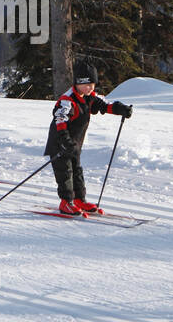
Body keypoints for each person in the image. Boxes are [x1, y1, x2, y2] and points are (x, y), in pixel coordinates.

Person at [43, 61, 133, 216]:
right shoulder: (67, 100)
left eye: (92, 84)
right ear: (77, 83)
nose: (90, 88)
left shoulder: (89, 97)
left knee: (77, 171)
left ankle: (79, 200)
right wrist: (65, 141)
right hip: (60, 143)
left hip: (75, 144)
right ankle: (66, 202)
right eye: (86, 84)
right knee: (65, 172)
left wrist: (121, 109)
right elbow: (60, 121)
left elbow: (106, 106)